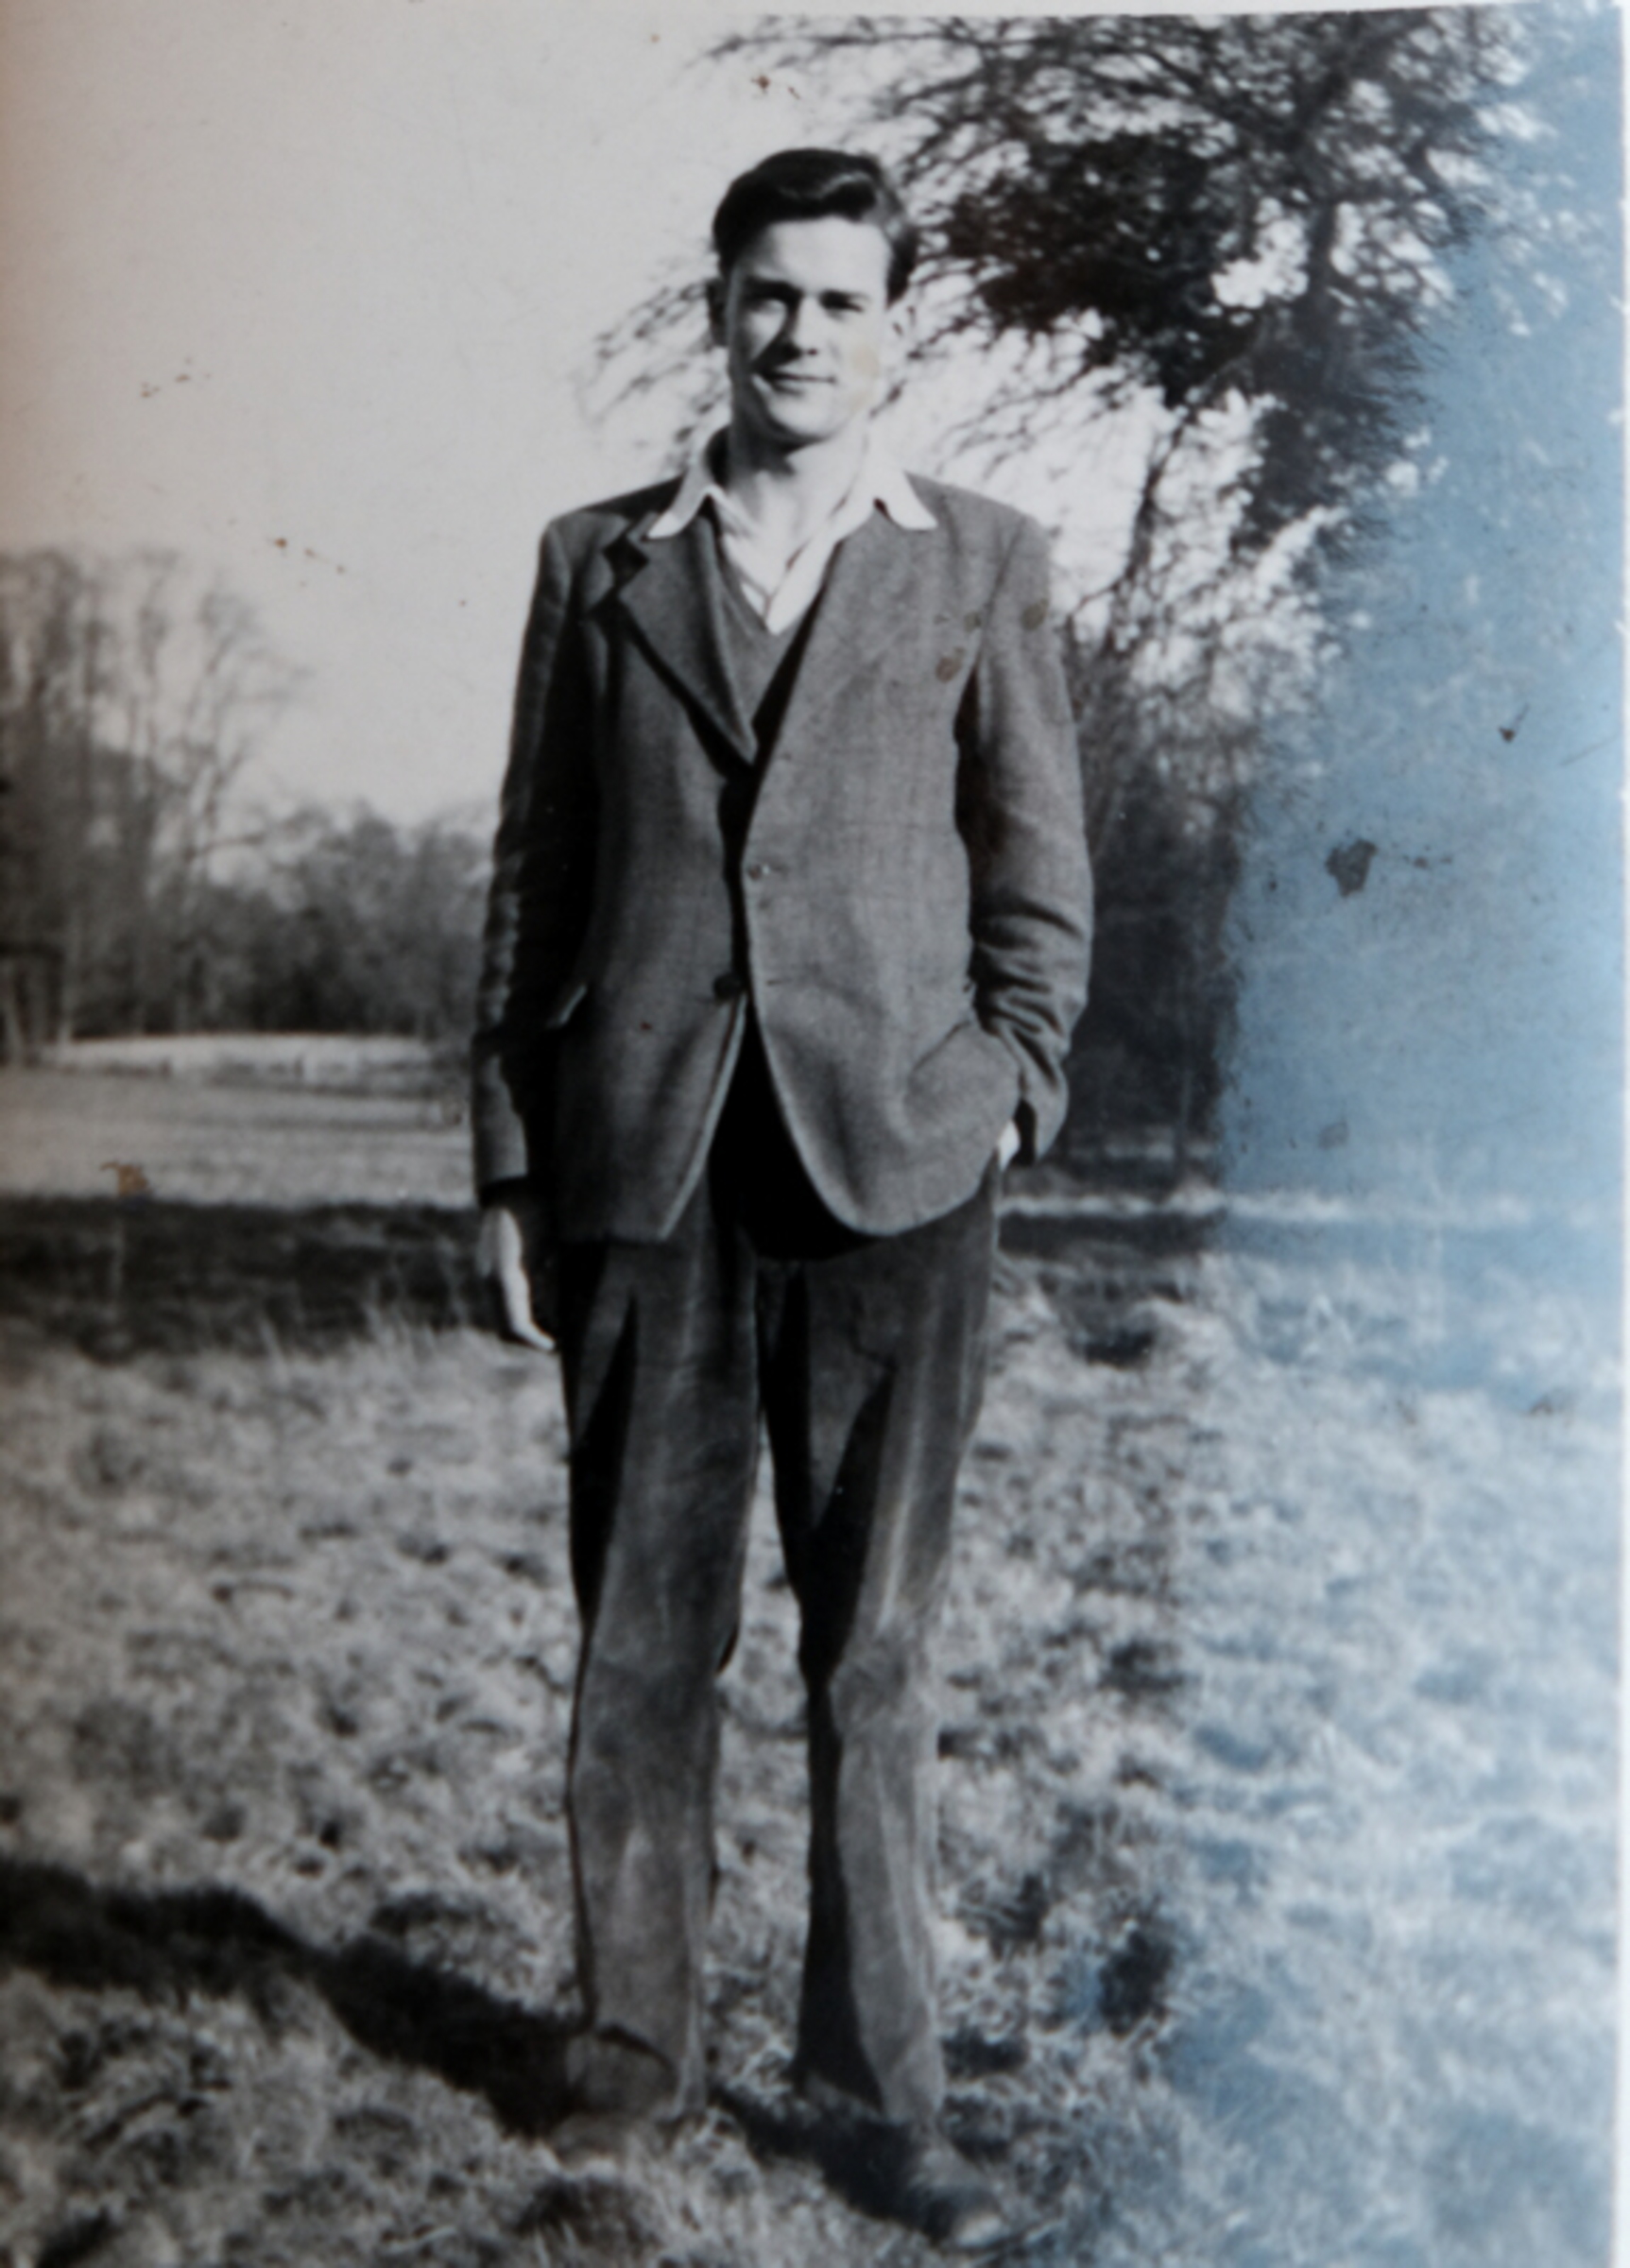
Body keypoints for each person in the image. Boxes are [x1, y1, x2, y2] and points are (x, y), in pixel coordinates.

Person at [471, 146, 1091, 2249]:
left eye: (840, 300)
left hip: (893, 1174)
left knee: (872, 1655)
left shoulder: (980, 559)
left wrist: (1007, 1093)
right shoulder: (597, 562)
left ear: (893, 330)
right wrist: (508, 1163)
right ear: (716, 307)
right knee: (642, 1642)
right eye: (767, 293)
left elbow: (1038, 874)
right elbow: (532, 878)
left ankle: (874, 2090)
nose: (799, 332)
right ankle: (627, 2060)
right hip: (641, 1169)